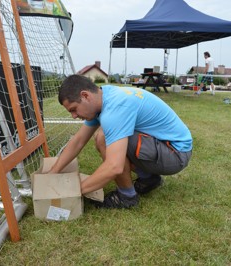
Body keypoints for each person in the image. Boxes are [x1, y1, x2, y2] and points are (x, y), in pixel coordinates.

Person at [48, 75, 192, 209]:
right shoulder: (105, 96)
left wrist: (74, 191)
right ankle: (149, 179)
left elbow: (114, 167)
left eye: (74, 109)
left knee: (103, 138)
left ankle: (126, 196)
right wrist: (53, 172)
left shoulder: (115, 110)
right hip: (166, 146)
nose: (74, 116)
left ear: (85, 96)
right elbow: (78, 141)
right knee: (110, 137)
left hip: (175, 154)